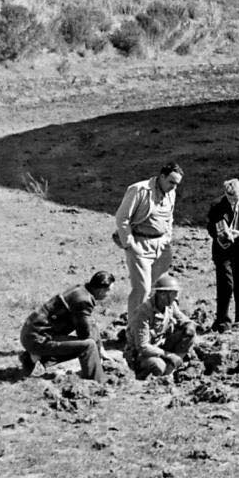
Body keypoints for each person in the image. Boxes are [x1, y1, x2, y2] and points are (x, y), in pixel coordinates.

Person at [115, 161, 184, 318]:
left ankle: (157, 324)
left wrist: (167, 238)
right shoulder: (139, 190)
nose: (174, 187)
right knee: (142, 289)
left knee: (160, 289)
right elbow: (122, 218)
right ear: (162, 176)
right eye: (171, 182)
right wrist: (130, 244)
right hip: (140, 244)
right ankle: (134, 326)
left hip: (162, 246)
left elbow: (169, 218)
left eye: (177, 184)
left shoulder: (171, 193)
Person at [19, 270, 114, 383]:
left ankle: (32, 357)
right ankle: (96, 381)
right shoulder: (83, 300)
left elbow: (90, 324)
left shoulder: (81, 290)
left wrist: (101, 349)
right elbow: (84, 334)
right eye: (109, 291)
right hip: (37, 339)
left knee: (90, 336)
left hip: (33, 334)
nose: (109, 294)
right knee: (89, 346)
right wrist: (96, 354)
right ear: (101, 290)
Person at [206, 177, 239, 330]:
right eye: (229, 197)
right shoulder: (217, 204)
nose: (232, 201)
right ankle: (222, 320)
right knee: (226, 283)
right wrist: (221, 235)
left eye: (235, 198)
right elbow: (210, 226)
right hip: (222, 249)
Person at [125, 273, 196, 380]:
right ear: (163, 294)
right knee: (158, 366)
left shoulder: (170, 305)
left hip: (161, 346)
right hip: (142, 354)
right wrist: (169, 355)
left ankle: (173, 367)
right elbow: (143, 346)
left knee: (189, 335)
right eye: (174, 294)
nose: (176, 297)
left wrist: (189, 325)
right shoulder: (143, 313)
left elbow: (183, 319)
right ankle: (157, 375)